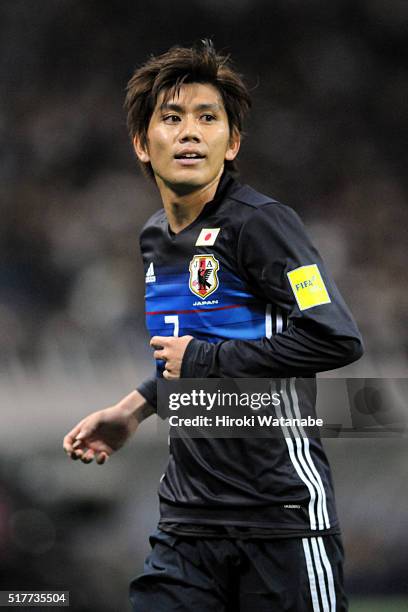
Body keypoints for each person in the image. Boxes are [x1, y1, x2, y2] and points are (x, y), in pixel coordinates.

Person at [63, 40, 363, 611]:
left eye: (208, 118)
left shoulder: (265, 225)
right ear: (141, 146)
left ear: (232, 144)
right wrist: (136, 406)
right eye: (171, 118)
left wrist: (202, 361)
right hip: (185, 526)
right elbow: (192, 347)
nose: (191, 132)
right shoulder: (155, 237)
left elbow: (336, 335)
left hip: (280, 520)